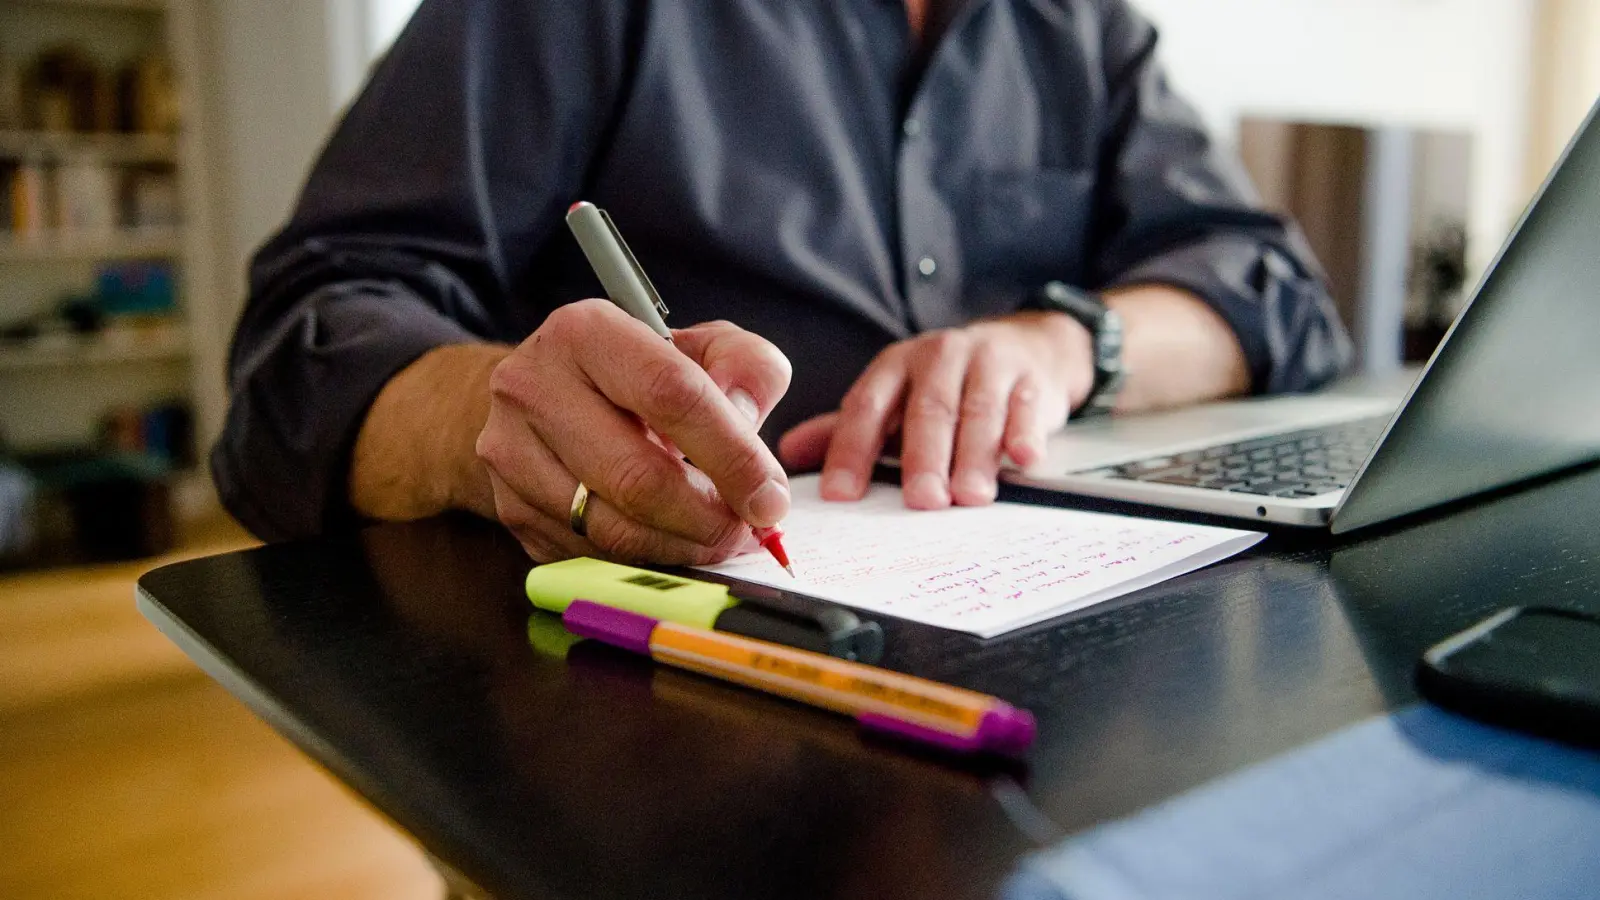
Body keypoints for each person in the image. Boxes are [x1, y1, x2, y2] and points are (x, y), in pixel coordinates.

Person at [214, 0, 1350, 568]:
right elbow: (303, 340)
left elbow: (1269, 289)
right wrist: (489, 412)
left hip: (1036, 662)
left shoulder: (1081, 24)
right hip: (642, 718)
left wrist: (1064, 346)